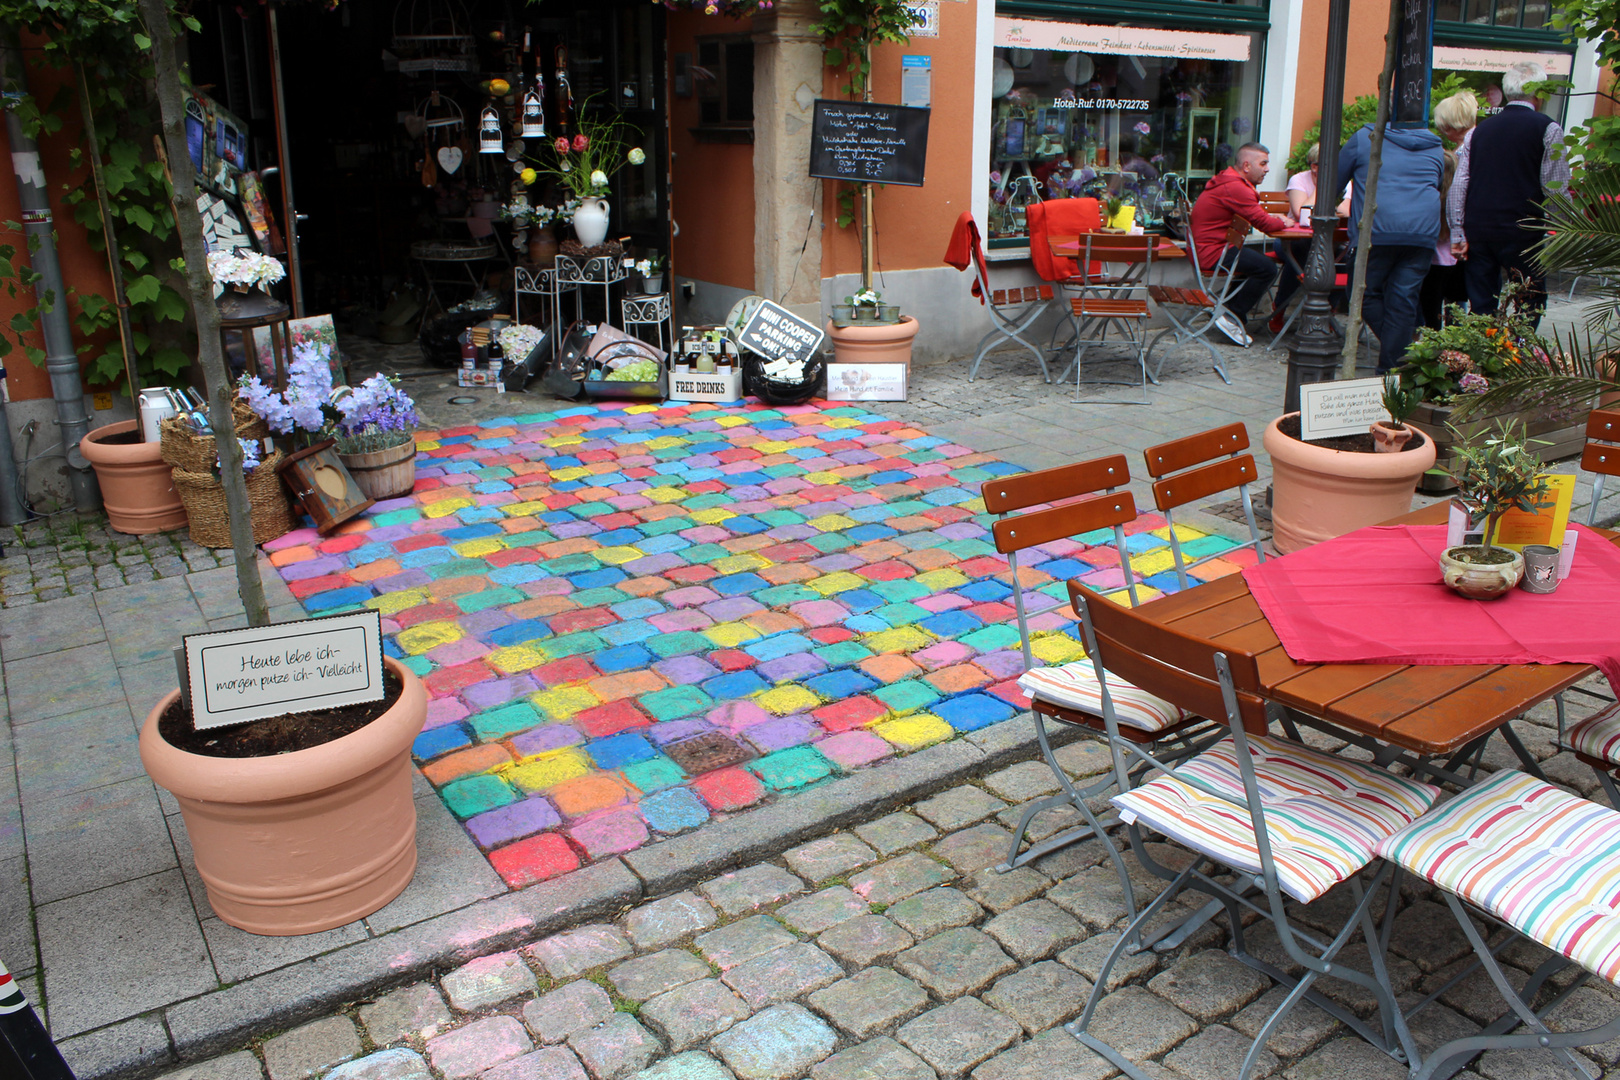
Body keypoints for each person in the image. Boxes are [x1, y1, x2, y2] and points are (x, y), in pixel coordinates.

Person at [1453, 62, 1570, 325]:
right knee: (1529, 299)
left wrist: (1457, 230)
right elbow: (1555, 186)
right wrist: (1563, 229)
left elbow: (1461, 183)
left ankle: (1480, 355)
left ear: (1506, 93)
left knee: (1481, 302)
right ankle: (1516, 352)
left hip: (1479, 226)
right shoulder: (1548, 129)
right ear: (1539, 94)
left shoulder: (1479, 131)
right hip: (1523, 228)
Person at [1338, 117, 1445, 372]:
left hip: (1377, 230)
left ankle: (1399, 356)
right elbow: (1437, 183)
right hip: (1423, 232)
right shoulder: (1434, 144)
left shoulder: (1365, 137)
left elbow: (1333, 182)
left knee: (1359, 293)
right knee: (1403, 300)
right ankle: (1392, 372)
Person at [1189, 142, 1289, 345]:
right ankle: (1232, 314)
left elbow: (1257, 215)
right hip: (1213, 252)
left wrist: (1275, 218)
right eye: (1263, 163)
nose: (1267, 169)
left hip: (1210, 249)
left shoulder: (1229, 181)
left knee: (1256, 265)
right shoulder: (1236, 187)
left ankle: (1225, 310)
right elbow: (1265, 225)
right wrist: (1284, 222)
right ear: (1246, 166)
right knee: (1267, 268)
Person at [1268, 143, 1353, 333]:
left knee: (1346, 258)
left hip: (1330, 242)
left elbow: (1343, 211)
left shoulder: (1343, 181)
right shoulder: (1298, 180)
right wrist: (1321, 188)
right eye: (1328, 165)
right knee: (1299, 254)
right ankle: (1279, 309)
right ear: (1315, 167)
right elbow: (1302, 214)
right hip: (1290, 241)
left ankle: (1328, 311)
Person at [1423, 92, 1479, 328]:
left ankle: (1437, 346)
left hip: (1451, 239)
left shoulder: (1461, 154)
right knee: (1457, 299)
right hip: (1463, 239)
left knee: (1434, 298)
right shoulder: (1472, 149)